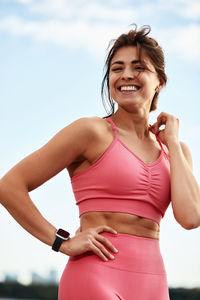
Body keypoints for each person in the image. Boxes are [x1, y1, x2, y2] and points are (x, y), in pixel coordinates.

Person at [0, 24, 200, 300]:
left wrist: (174, 145)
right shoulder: (91, 132)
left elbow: (191, 218)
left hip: (153, 283)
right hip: (95, 276)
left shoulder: (176, 151)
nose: (126, 74)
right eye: (117, 68)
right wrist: (62, 242)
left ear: (160, 81)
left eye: (138, 67)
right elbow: (9, 186)